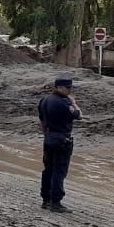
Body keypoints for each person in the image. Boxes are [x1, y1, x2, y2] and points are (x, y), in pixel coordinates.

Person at [37, 77, 83, 213]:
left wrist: (46, 135)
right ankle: (55, 202)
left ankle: (45, 200)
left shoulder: (44, 100)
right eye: (67, 88)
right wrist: (74, 103)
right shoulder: (64, 102)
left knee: (48, 169)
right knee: (59, 171)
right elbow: (79, 116)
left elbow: (42, 121)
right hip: (62, 139)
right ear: (58, 87)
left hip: (49, 138)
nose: (69, 91)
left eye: (70, 88)